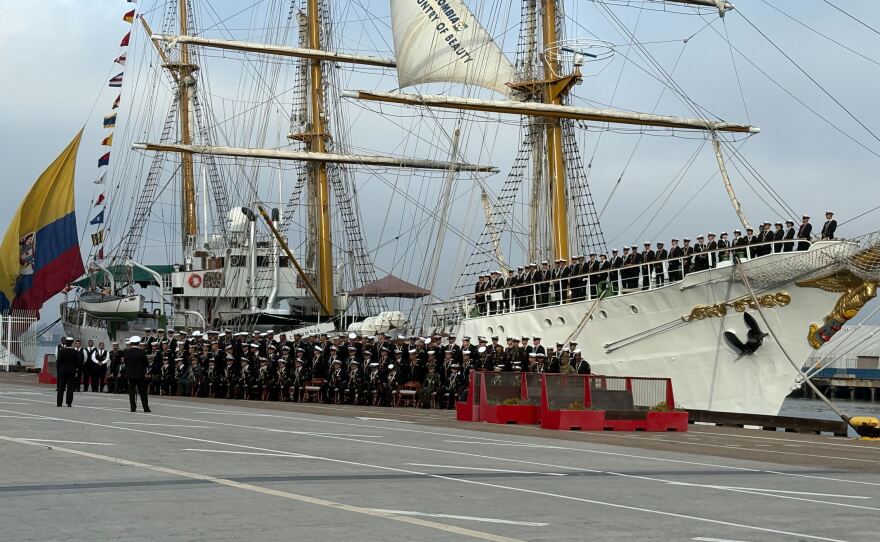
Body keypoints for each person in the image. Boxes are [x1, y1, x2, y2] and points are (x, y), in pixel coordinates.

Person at [124, 336, 151, 412]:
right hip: (140, 375)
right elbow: (146, 364)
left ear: (131, 343)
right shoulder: (142, 352)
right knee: (143, 392)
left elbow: (126, 363)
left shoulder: (127, 352)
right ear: (138, 343)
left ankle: (133, 407)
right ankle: (145, 408)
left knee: (131, 392)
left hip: (131, 374)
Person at [56, 337, 81, 407]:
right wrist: (76, 370)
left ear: (66, 343)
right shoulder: (75, 352)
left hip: (62, 371)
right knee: (70, 388)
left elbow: (58, 361)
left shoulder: (61, 351)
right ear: (72, 343)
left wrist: (59, 369)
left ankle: (59, 403)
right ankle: (69, 403)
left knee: (61, 387)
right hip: (71, 372)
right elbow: (78, 362)